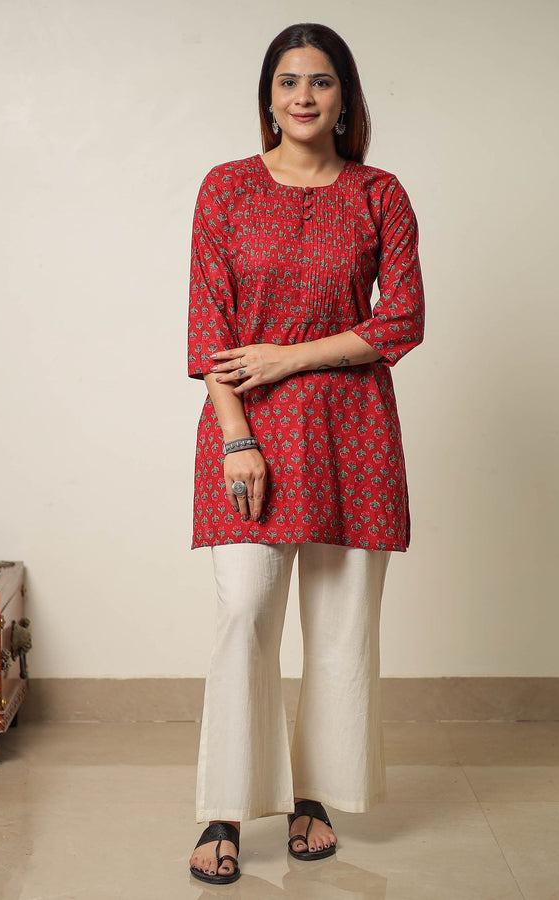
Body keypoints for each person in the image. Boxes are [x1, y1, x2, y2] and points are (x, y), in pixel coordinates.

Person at [187, 23, 424, 885]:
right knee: (244, 614)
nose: (303, 96)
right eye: (288, 81)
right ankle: (223, 808)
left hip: (353, 436)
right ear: (268, 96)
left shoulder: (379, 195)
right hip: (249, 436)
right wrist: (237, 438)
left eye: (320, 81)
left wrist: (287, 358)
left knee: (340, 629)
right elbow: (209, 329)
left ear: (344, 99)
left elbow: (401, 319)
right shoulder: (225, 189)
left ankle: (312, 796)